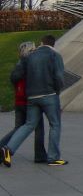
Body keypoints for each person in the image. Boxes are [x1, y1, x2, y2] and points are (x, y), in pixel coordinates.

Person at [1, 35, 67, 167]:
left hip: (31, 97)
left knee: (28, 125)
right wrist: (57, 91)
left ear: (41, 43)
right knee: (55, 124)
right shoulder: (55, 55)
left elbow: (18, 74)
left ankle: (8, 149)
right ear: (53, 45)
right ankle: (53, 157)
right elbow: (59, 77)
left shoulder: (29, 57)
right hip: (49, 94)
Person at [0, 41, 47, 163]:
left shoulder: (18, 64)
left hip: (19, 101)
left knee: (18, 128)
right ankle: (40, 155)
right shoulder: (31, 64)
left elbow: (14, 80)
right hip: (30, 101)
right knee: (38, 128)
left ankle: (1, 148)